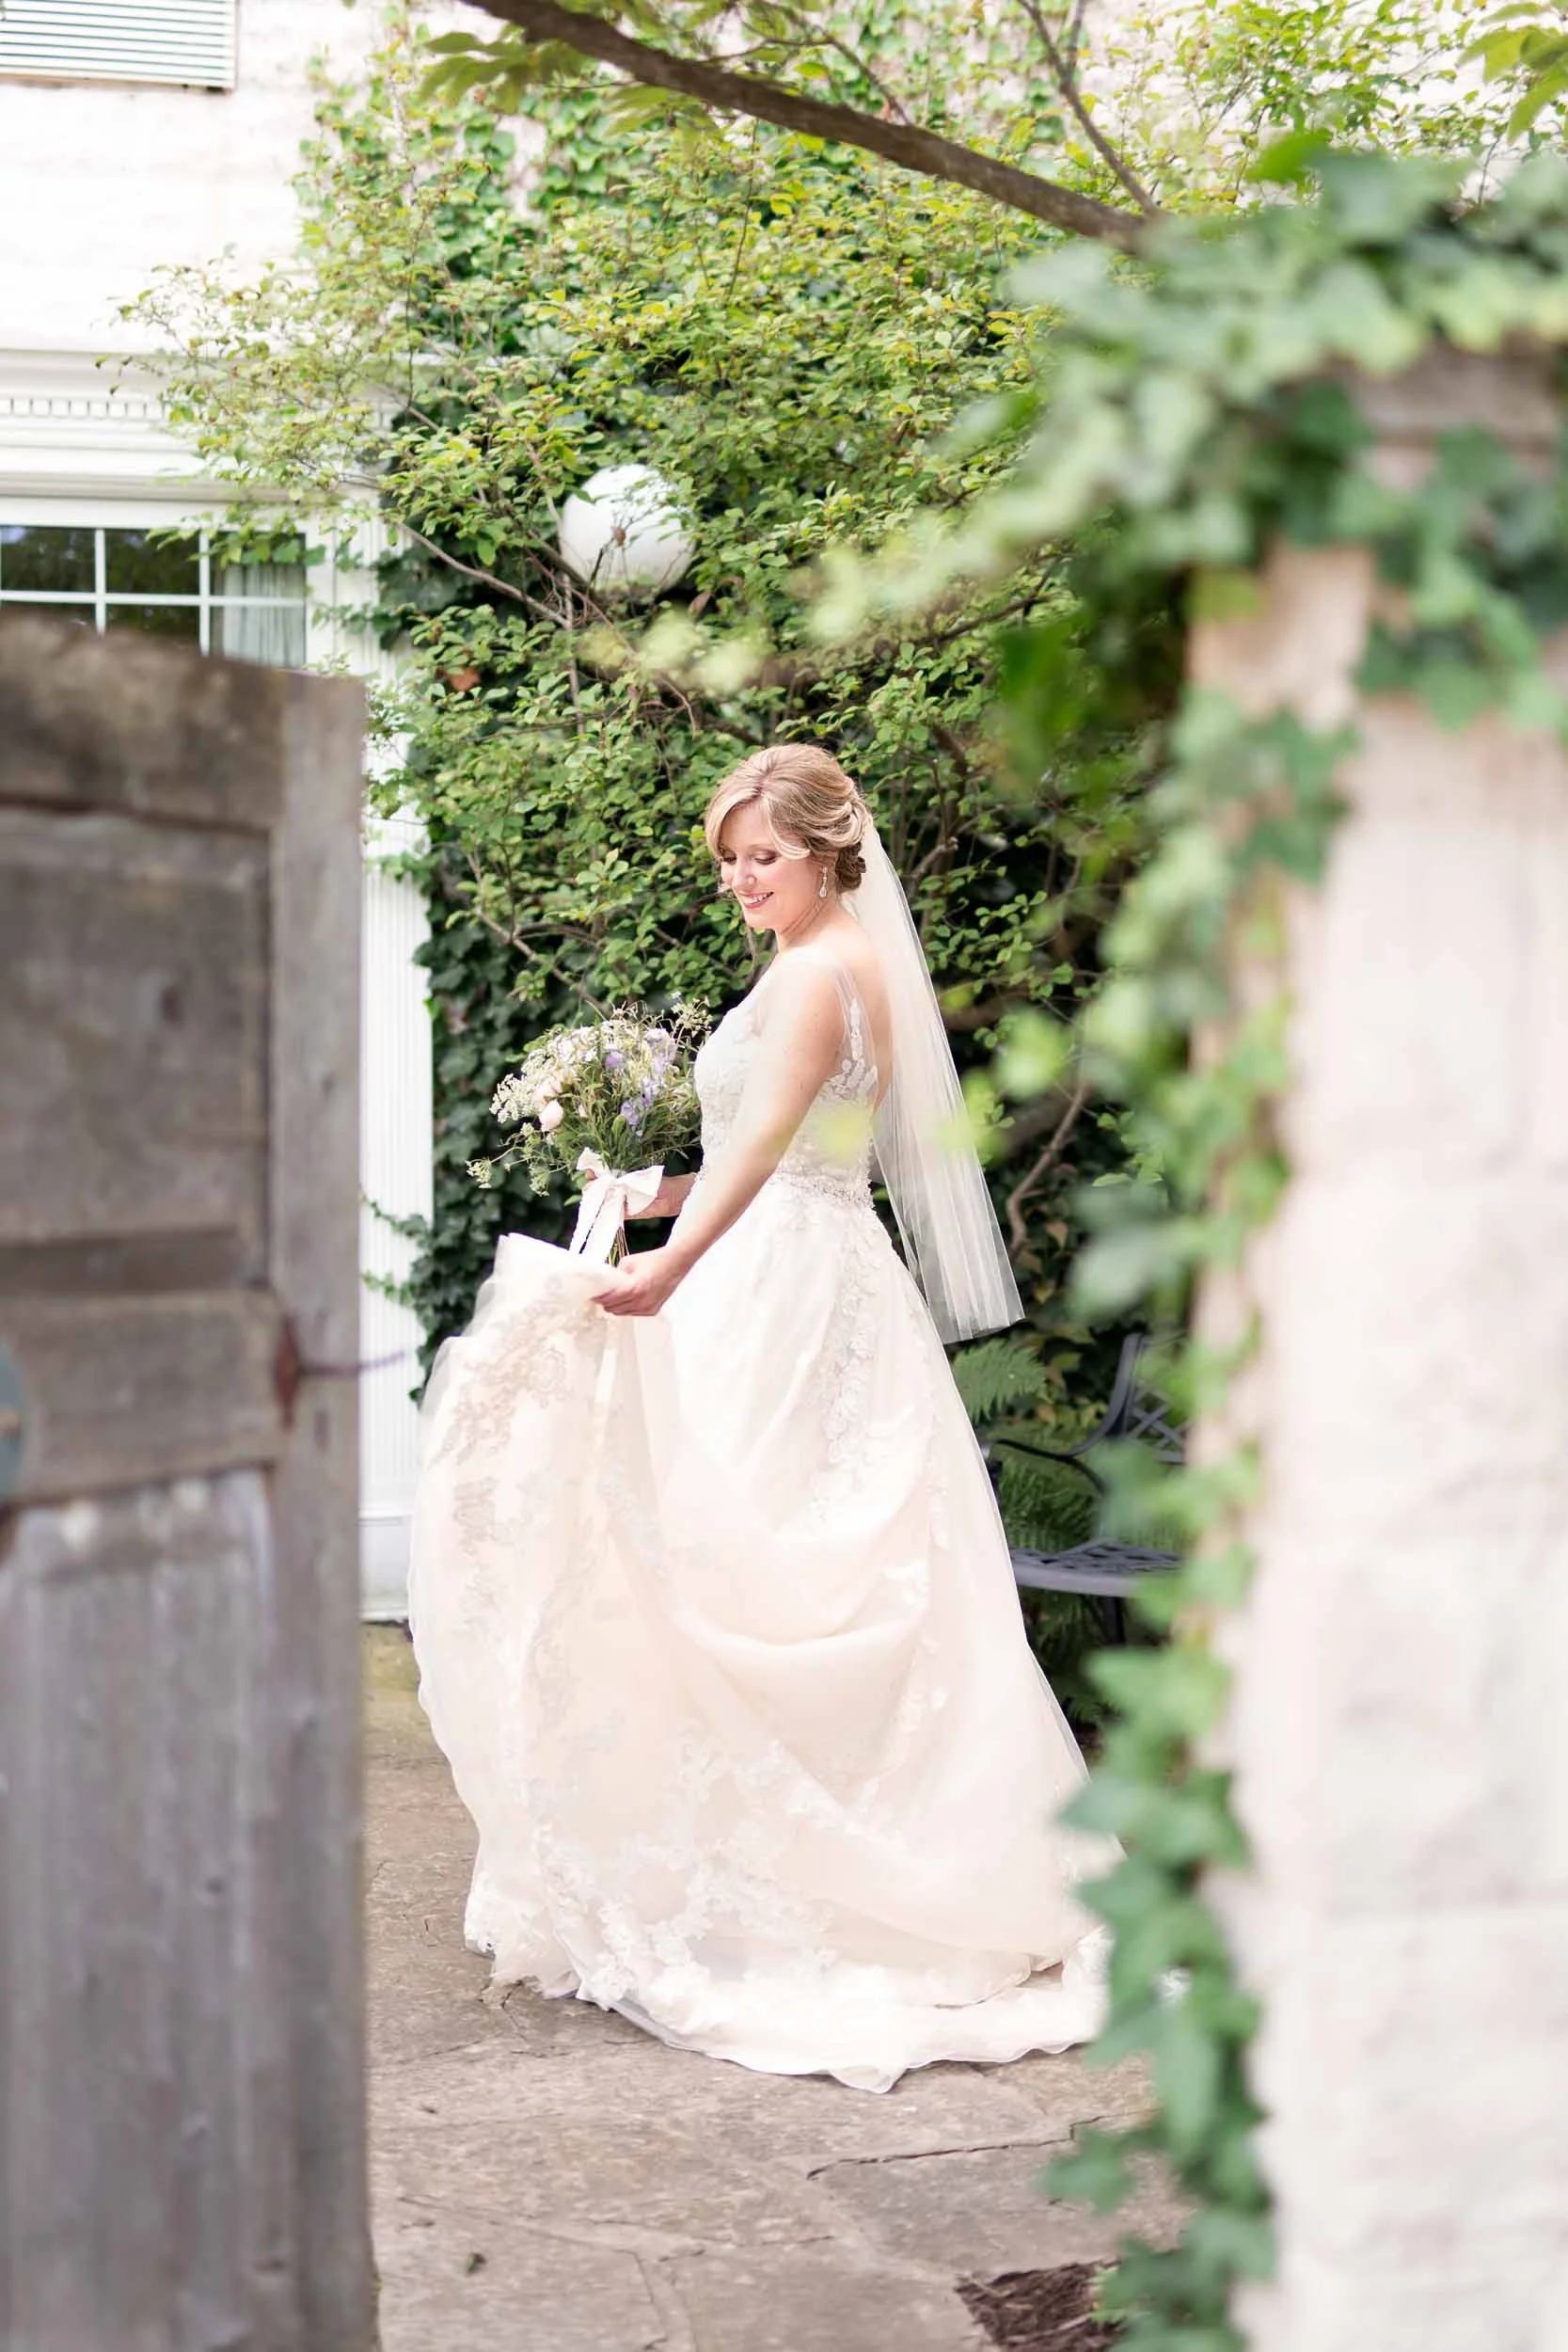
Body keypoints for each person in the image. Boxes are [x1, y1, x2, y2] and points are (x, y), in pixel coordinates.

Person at [408, 743, 1111, 2092]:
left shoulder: (816, 975)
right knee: (751, 1552)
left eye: (761, 857)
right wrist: (654, 1191)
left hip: (783, 1296)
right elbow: (800, 1156)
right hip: (808, 1269)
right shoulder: (835, 964)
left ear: (826, 851)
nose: (741, 880)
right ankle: (770, 1855)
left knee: (742, 1557)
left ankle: (823, 1881)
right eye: (728, 860)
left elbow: (771, 1156)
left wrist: (670, 1263)